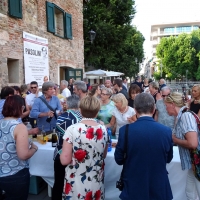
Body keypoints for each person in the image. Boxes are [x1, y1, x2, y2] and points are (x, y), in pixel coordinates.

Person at [115, 93, 173, 200]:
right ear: (154, 109)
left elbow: (119, 159)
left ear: (135, 110)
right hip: (158, 185)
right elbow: (168, 158)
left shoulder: (125, 130)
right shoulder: (166, 131)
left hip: (134, 185)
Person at [60, 96, 108, 199]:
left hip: (76, 178)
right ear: (97, 111)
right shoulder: (103, 129)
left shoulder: (72, 129)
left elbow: (64, 160)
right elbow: (103, 155)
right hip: (96, 178)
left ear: (80, 110)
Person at [0, 95, 38, 200]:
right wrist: (34, 149)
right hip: (15, 174)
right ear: (21, 108)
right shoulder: (19, 127)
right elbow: (23, 155)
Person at [165, 92, 200, 199]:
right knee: (190, 192)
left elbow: (193, 143)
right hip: (193, 163)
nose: (165, 108)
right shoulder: (181, 116)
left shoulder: (185, 116)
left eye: (166, 105)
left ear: (172, 104)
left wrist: (175, 139)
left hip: (197, 162)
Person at [52, 95, 82, 200]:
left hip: (61, 153)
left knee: (59, 183)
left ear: (68, 104)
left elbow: (59, 132)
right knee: (77, 183)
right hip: (79, 155)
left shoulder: (62, 117)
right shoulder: (84, 118)